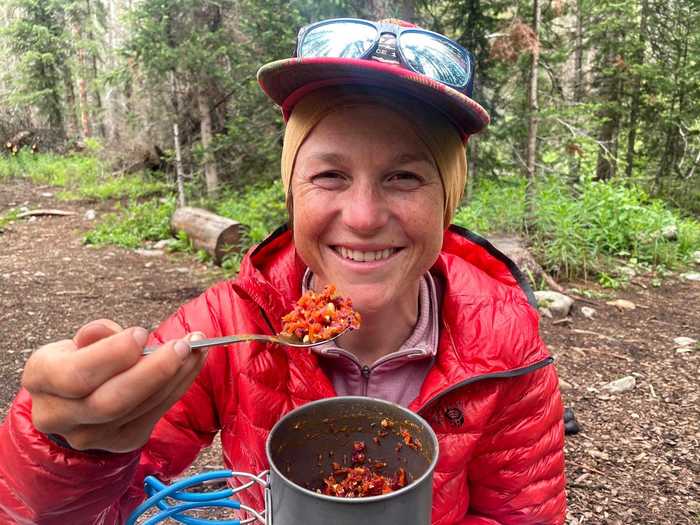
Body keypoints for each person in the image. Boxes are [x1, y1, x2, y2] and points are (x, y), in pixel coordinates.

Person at [0, 17, 566, 524]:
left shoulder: (508, 353)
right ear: (291, 193)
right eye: (329, 176)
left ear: (448, 202)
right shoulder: (232, 325)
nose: (364, 217)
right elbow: (69, 511)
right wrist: (66, 447)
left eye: (405, 177)